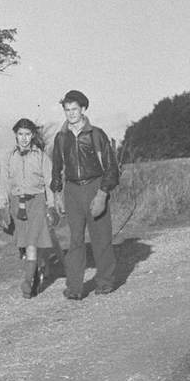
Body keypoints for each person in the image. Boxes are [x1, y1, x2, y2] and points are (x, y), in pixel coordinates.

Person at [50, 90, 121, 300]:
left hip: (95, 186)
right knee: (75, 241)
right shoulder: (61, 138)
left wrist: (102, 194)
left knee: (101, 238)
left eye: (74, 109)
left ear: (83, 109)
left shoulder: (96, 135)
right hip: (72, 190)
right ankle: (74, 288)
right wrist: (57, 194)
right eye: (67, 110)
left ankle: (105, 283)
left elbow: (111, 169)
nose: (71, 114)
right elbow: (56, 169)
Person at [0, 118, 57, 298]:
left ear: (33, 135)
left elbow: (49, 183)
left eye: (27, 134)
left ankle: (28, 281)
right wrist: (2, 205)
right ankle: (37, 269)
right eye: (21, 134)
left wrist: (52, 206)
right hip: (17, 204)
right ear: (16, 135)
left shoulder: (41, 156)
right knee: (23, 244)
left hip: (37, 202)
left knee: (31, 244)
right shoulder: (8, 157)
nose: (24, 138)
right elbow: (4, 183)